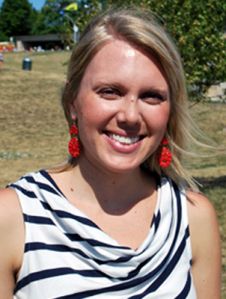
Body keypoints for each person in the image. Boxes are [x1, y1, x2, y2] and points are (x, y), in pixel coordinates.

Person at [0, 8, 221, 299]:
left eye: (151, 96)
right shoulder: (14, 216)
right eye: (110, 91)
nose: (130, 115)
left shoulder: (194, 217)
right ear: (72, 102)